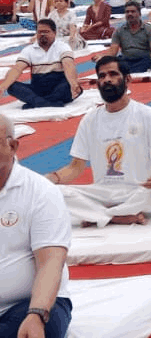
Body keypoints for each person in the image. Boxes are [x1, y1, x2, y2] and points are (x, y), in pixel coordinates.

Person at [46, 56, 151, 228]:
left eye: (113, 74)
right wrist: (51, 179)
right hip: (103, 195)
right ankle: (116, 216)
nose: (107, 80)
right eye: (102, 76)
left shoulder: (147, 115)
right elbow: (76, 167)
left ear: (127, 79)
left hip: (137, 191)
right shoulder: (89, 120)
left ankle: (96, 215)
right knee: (54, 192)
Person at [0, 113, 73, 338]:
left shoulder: (40, 192)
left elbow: (51, 260)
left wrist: (36, 313)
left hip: (29, 305)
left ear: (13, 146)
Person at [0, 20, 82, 108]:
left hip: (57, 86)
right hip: (38, 88)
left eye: (46, 32)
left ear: (54, 33)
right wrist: (2, 87)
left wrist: (74, 84)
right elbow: (17, 69)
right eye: (39, 32)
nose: (42, 35)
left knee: (68, 86)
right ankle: (48, 103)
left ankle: (36, 102)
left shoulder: (63, 47)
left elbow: (68, 66)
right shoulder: (29, 50)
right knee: (12, 86)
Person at [95, 1, 151, 73]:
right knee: (112, 63)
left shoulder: (149, 29)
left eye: (133, 12)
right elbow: (113, 51)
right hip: (126, 59)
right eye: (127, 12)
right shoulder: (119, 31)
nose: (130, 14)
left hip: (144, 58)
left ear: (139, 14)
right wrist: (102, 57)